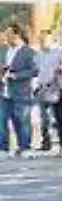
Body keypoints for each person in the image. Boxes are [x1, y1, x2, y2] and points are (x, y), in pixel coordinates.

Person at [1, 25, 36, 155]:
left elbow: (34, 71)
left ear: (16, 35)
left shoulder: (29, 52)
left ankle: (25, 147)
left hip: (21, 92)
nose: (5, 37)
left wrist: (16, 75)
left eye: (8, 34)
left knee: (22, 121)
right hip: (4, 91)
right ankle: (3, 148)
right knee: (2, 121)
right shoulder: (3, 50)